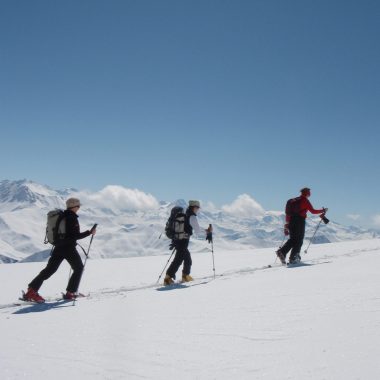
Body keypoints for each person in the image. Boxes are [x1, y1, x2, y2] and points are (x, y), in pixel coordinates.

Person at [22, 198, 96, 302]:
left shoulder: (62, 216)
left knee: (49, 270)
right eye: (78, 206)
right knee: (78, 268)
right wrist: (89, 232)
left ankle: (31, 291)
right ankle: (71, 293)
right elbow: (75, 236)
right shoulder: (72, 218)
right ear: (74, 207)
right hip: (68, 248)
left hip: (58, 247)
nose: (79, 208)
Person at [164, 200, 212, 285]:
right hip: (183, 241)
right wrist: (207, 231)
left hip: (178, 240)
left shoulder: (185, 214)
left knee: (187, 259)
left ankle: (185, 276)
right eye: (197, 208)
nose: (198, 209)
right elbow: (197, 230)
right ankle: (168, 278)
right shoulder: (192, 217)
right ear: (194, 207)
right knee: (178, 260)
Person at [276, 188, 327, 264]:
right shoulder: (305, 201)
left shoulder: (293, 200)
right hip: (299, 221)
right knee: (299, 240)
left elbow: (288, 213)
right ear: (307, 193)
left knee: (293, 239)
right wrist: (322, 210)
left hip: (291, 221)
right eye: (309, 192)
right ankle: (294, 258)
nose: (310, 193)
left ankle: (282, 252)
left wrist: (287, 223)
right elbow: (313, 211)